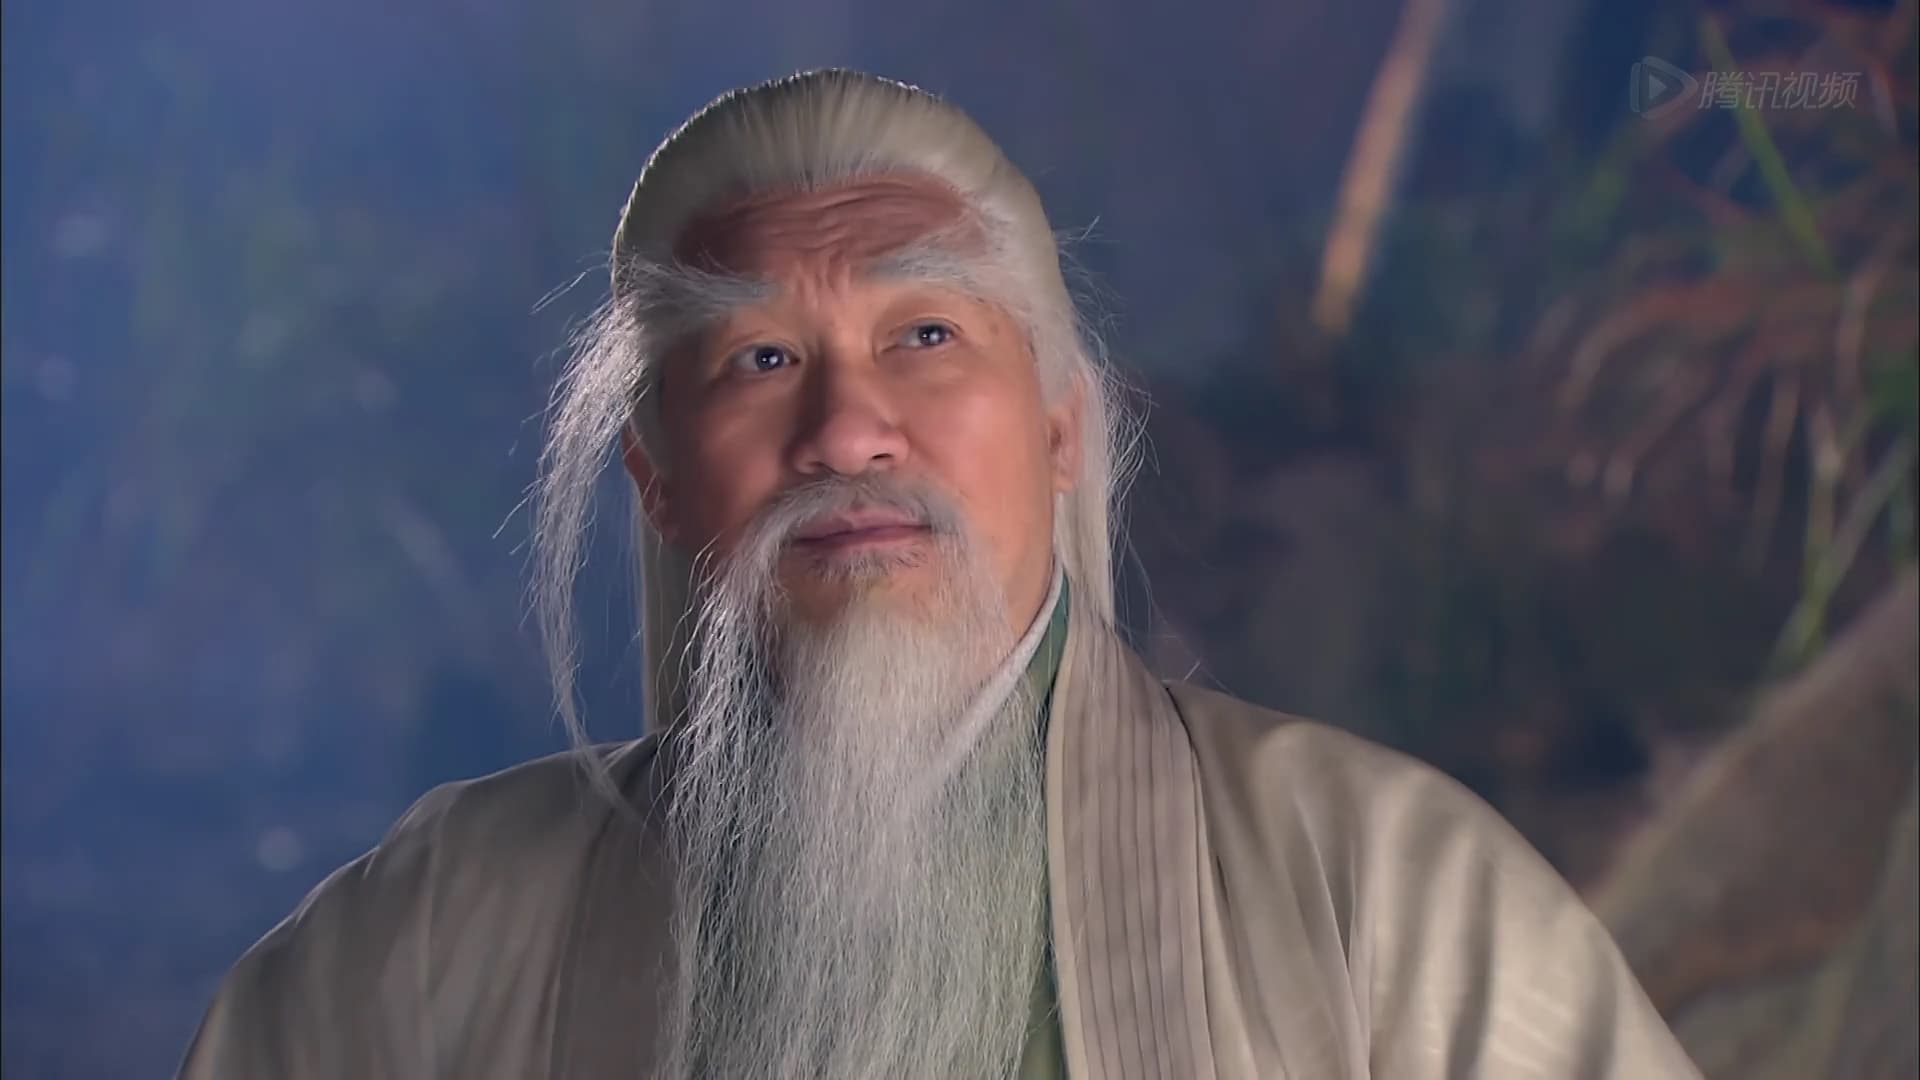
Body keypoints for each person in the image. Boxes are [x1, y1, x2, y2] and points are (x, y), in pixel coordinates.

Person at [180, 69, 1703, 1079]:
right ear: (656, 479)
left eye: (925, 334)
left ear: (1060, 425)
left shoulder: (1387, 896)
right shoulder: (431, 939)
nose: (848, 429)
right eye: (759, 357)